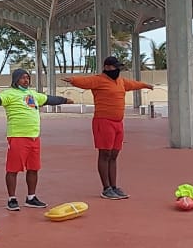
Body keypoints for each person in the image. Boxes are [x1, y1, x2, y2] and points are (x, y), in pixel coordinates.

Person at [0, 68, 72, 211]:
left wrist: (64, 100)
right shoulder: (9, 94)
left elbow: (49, 99)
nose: (26, 80)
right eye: (23, 78)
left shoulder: (32, 94)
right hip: (18, 136)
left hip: (34, 137)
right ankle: (12, 199)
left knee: (33, 168)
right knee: (13, 169)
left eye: (28, 78)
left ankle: (31, 197)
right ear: (16, 80)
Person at [63, 55, 154, 199]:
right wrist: (73, 80)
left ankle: (114, 186)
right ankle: (106, 188)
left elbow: (134, 84)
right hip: (103, 121)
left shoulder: (121, 81)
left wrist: (146, 85)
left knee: (114, 155)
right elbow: (85, 82)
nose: (117, 69)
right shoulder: (99, 80)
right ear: (106, 67)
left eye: (118, 67)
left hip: (118, 122)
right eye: (114, 67)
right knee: (105, 154)